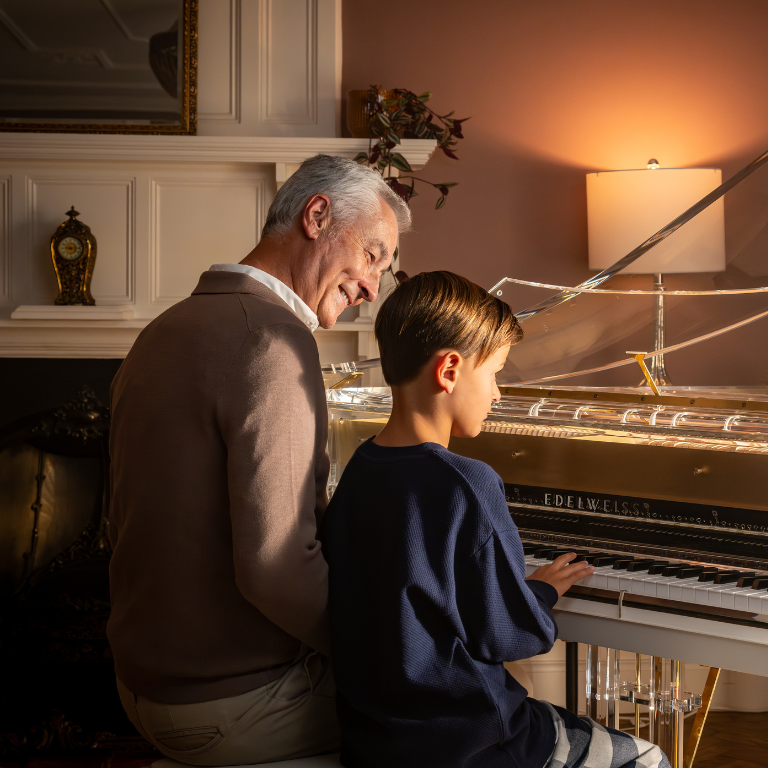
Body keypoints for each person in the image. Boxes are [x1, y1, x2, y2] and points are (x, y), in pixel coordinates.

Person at [106, 154, 411, 766]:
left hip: (140, 688)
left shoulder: (163, 329)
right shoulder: (272, 340)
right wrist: (394, 652)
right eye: (373, 255)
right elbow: (277, 569)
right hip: (232, 704)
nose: (372, 287)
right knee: (466, 705)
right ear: (317, 215)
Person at [323, 271, 672, 768]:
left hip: (376, 744)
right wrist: (542, 592)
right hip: (472, 745)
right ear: (449, 371)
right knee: (649, 757)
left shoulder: (360, 469)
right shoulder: (467, 482)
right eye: (494, 373)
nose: (497, 394)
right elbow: (507, 634)